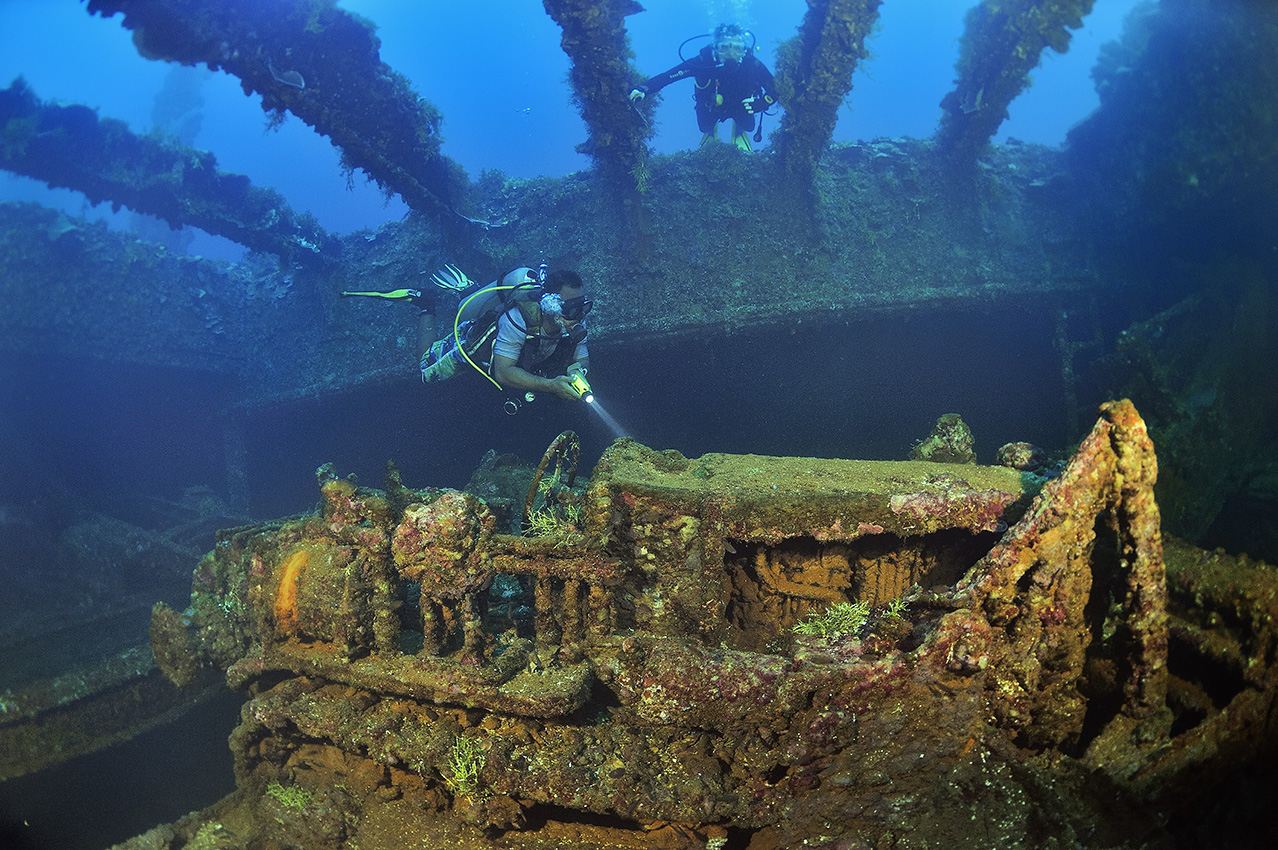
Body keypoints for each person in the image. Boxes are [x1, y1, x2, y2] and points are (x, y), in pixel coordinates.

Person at [417, 266, 592, 401]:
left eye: (582, 307)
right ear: (550, 305)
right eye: (571, 309)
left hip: (523, 357)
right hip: (476, 345)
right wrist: (551, 386)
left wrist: (579, 371)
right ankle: (426, 303)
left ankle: (470, 291)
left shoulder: (575, 319)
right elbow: (503, 372)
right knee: (425, 369)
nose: (578, 316)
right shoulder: (518, 319)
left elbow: (581, 358)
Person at [629, 23, 778, 152]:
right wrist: (644, 88)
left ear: (744, 50)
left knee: (749, 126)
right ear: (715, 48)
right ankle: (711, 132)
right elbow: (669, 76)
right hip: (710, 106)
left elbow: (776, 88)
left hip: (741, 106)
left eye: (737, 48)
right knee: (704, 126)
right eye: (725, 48)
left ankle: (739, 131)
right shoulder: (702, 62)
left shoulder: (752, 65)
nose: (731, 54)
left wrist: (763, 102)